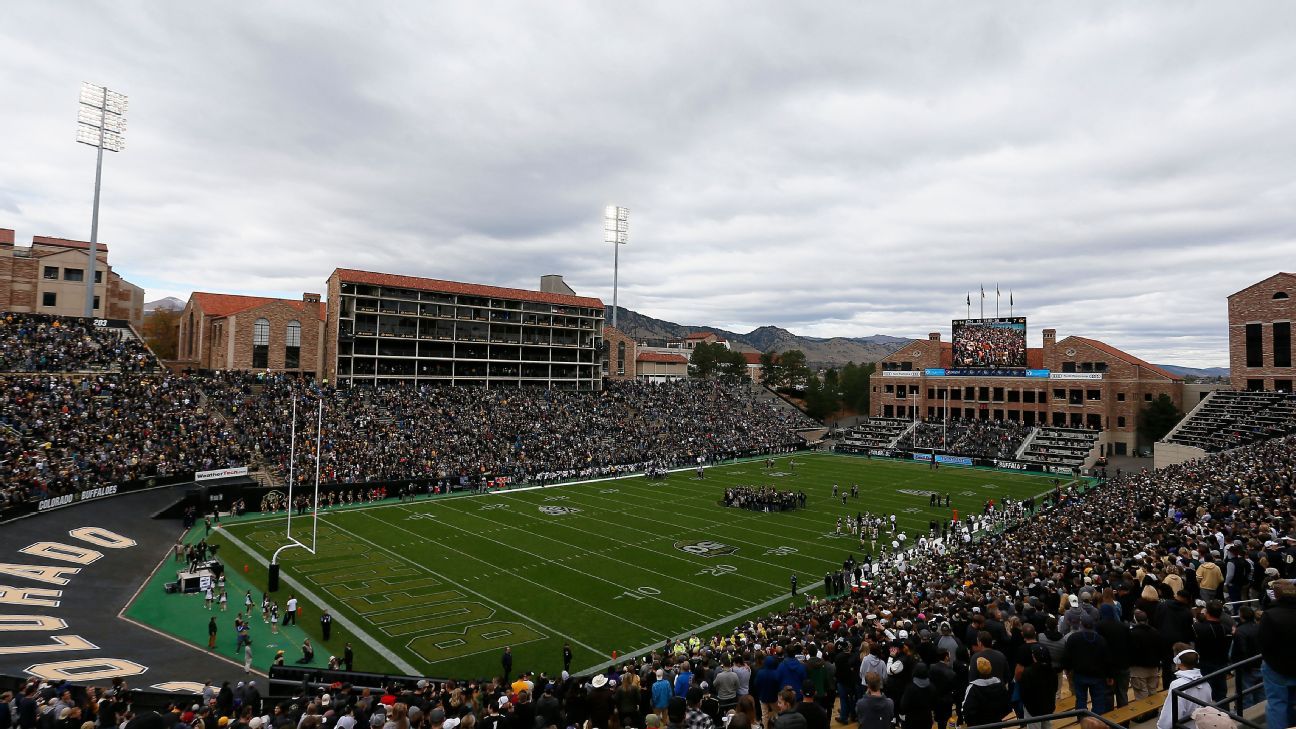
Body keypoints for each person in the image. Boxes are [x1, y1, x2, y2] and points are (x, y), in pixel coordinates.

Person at [1259, 579, 1296, 729]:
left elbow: (1263, 643)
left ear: (1275, 595)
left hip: (1276, 667)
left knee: (1277, 703)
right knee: (1291, 702)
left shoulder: (1270, 615)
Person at [1157, 647, 1212, 729]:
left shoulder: (1177, 684)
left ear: (1178, 662)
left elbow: (1171, 713)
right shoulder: (1205, 682)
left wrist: (1161, 726)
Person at [963, 657, 1010, 728]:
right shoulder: (1000, 684)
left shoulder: (973, 688)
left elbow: (967, 711)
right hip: (998, 723)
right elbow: (1006, 705)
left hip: (979, 726)